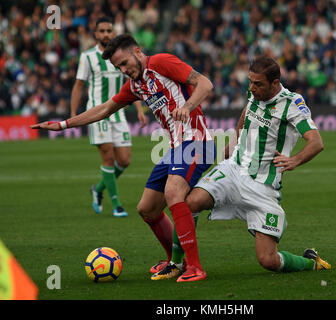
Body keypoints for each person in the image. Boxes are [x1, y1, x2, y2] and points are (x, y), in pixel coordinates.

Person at [31, 34, 216, 283]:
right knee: (147, 209)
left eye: (124, 63)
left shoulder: (161, 62)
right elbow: (105, 109)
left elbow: (205, 84)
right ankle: (176, 262)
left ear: (137, 52)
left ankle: (195, 267)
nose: (123, 69)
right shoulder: (135, 85)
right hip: (176, 147)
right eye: (118, 67)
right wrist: (65, 124)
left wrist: (188, 106)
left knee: (174, 193)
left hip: (197, 142)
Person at [182, 55, 331, 274]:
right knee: (190, 202)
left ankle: (311, 262)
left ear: (275, 83)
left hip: (263, 187)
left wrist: (295, 160)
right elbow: (244, 119)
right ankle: (180, 263)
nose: (252, 88)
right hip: (234, 170)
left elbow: (316, 141)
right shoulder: (254, 94)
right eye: (250, 82)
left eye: (258, 84)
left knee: (269, 260)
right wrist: (232, 147)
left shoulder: (291, 103)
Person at [71, 16, 147, 217]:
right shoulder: (87, 57)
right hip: (98, 114)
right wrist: (73, 114)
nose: (105, 34)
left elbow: (130, 84)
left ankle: (98, 189)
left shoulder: (120, 57)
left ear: (113, 33)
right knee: (108, 157)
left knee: (124, 160)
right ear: (95, 34)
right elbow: (79, 85)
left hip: (118, 114)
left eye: (109, 31)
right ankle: (116, 205)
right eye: (102, 31)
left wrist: (139, 110)